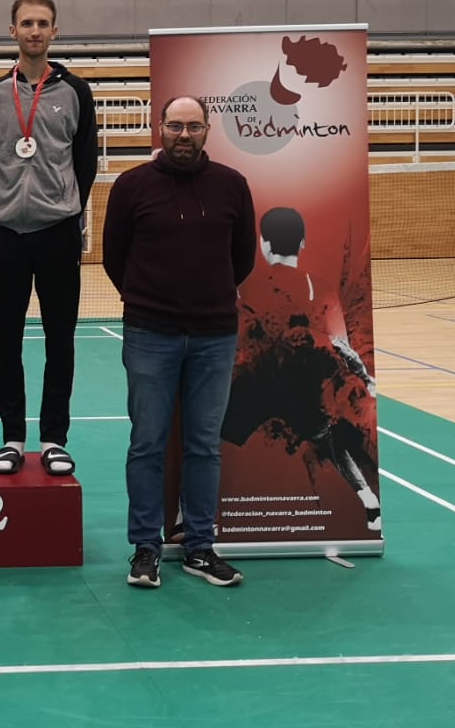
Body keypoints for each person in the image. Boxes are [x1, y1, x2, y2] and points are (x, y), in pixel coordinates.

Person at [102, 96, 256, 590]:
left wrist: (204, 299)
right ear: (160, 129)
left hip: (214, 334)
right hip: (150, 333)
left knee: (204, 447)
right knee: (146, 444)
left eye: (193, 126)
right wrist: (152, 301)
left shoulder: (233, 186)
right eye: (175, 126)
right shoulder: (131, 187)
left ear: (208, 130)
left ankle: (199, 548)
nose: (183, 134)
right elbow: (113, 256)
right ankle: (145, 549)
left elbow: (243, 258)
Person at [0, 0, 97, 477]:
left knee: (59, 338)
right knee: (7, 339)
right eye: (26, 23)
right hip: (4, 235)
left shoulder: (74, 92)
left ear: (55, 32)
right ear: (13, 32)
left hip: (57, 233)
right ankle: (12, 438)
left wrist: (63, 208)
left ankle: (53, 438)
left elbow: (84, 162)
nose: (35, 31)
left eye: (43, 23)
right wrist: (6, 203)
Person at [226, 206, 382, 533]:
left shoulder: (245, 286)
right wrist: (366, 379)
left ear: (263, 242)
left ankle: (186, 511)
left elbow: (236, 340)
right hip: (306, 390)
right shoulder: (321, 288)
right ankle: (368, 499)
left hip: (258, 384)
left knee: (213, 438)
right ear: (303, 242)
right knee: (330, 445)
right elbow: (340, 345)